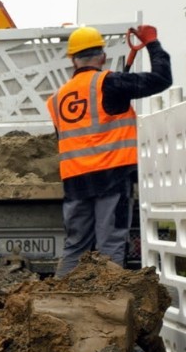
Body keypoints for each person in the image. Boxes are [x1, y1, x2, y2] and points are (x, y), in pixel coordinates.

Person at [47, 25, 172, 277]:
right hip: (111, 177)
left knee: (74, 247)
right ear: (102, 57)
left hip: (74, 182)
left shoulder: (56, 99)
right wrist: (152, 43)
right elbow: (162, 79)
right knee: (110, 247)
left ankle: (58, 301)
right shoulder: (111, 83)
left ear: (73, 60)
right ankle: (107, 307)